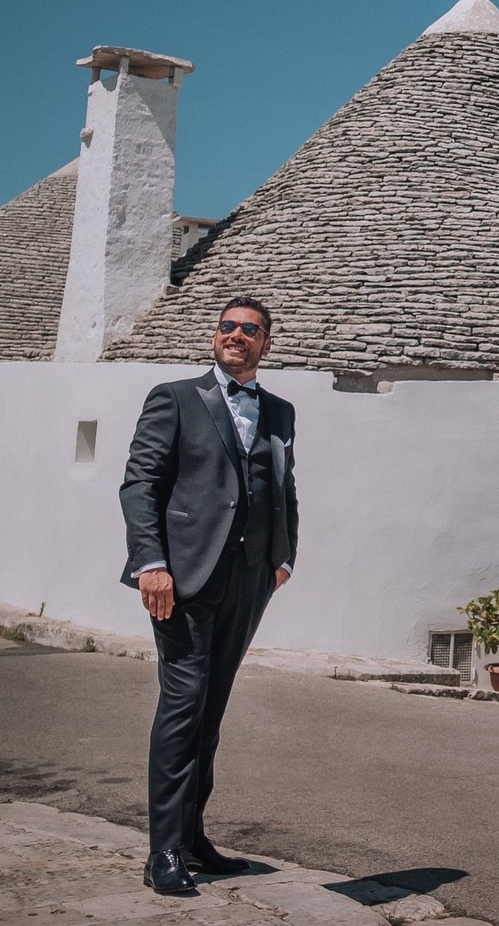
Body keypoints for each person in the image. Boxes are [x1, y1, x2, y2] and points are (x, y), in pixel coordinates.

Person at [120, 297, 298, 895]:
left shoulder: (279, 411)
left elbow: (282, 486)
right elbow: (140, 483)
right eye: (228, 327)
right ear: (215, 335)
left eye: (250, 330)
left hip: (249, 580)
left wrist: (283, 557)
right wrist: (151, 564)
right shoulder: (174, 398)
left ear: (265, 344)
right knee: (182, 707)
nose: (237, 336)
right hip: (183, 580)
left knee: (211, 711)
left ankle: (193, 837)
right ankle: (162, 851)